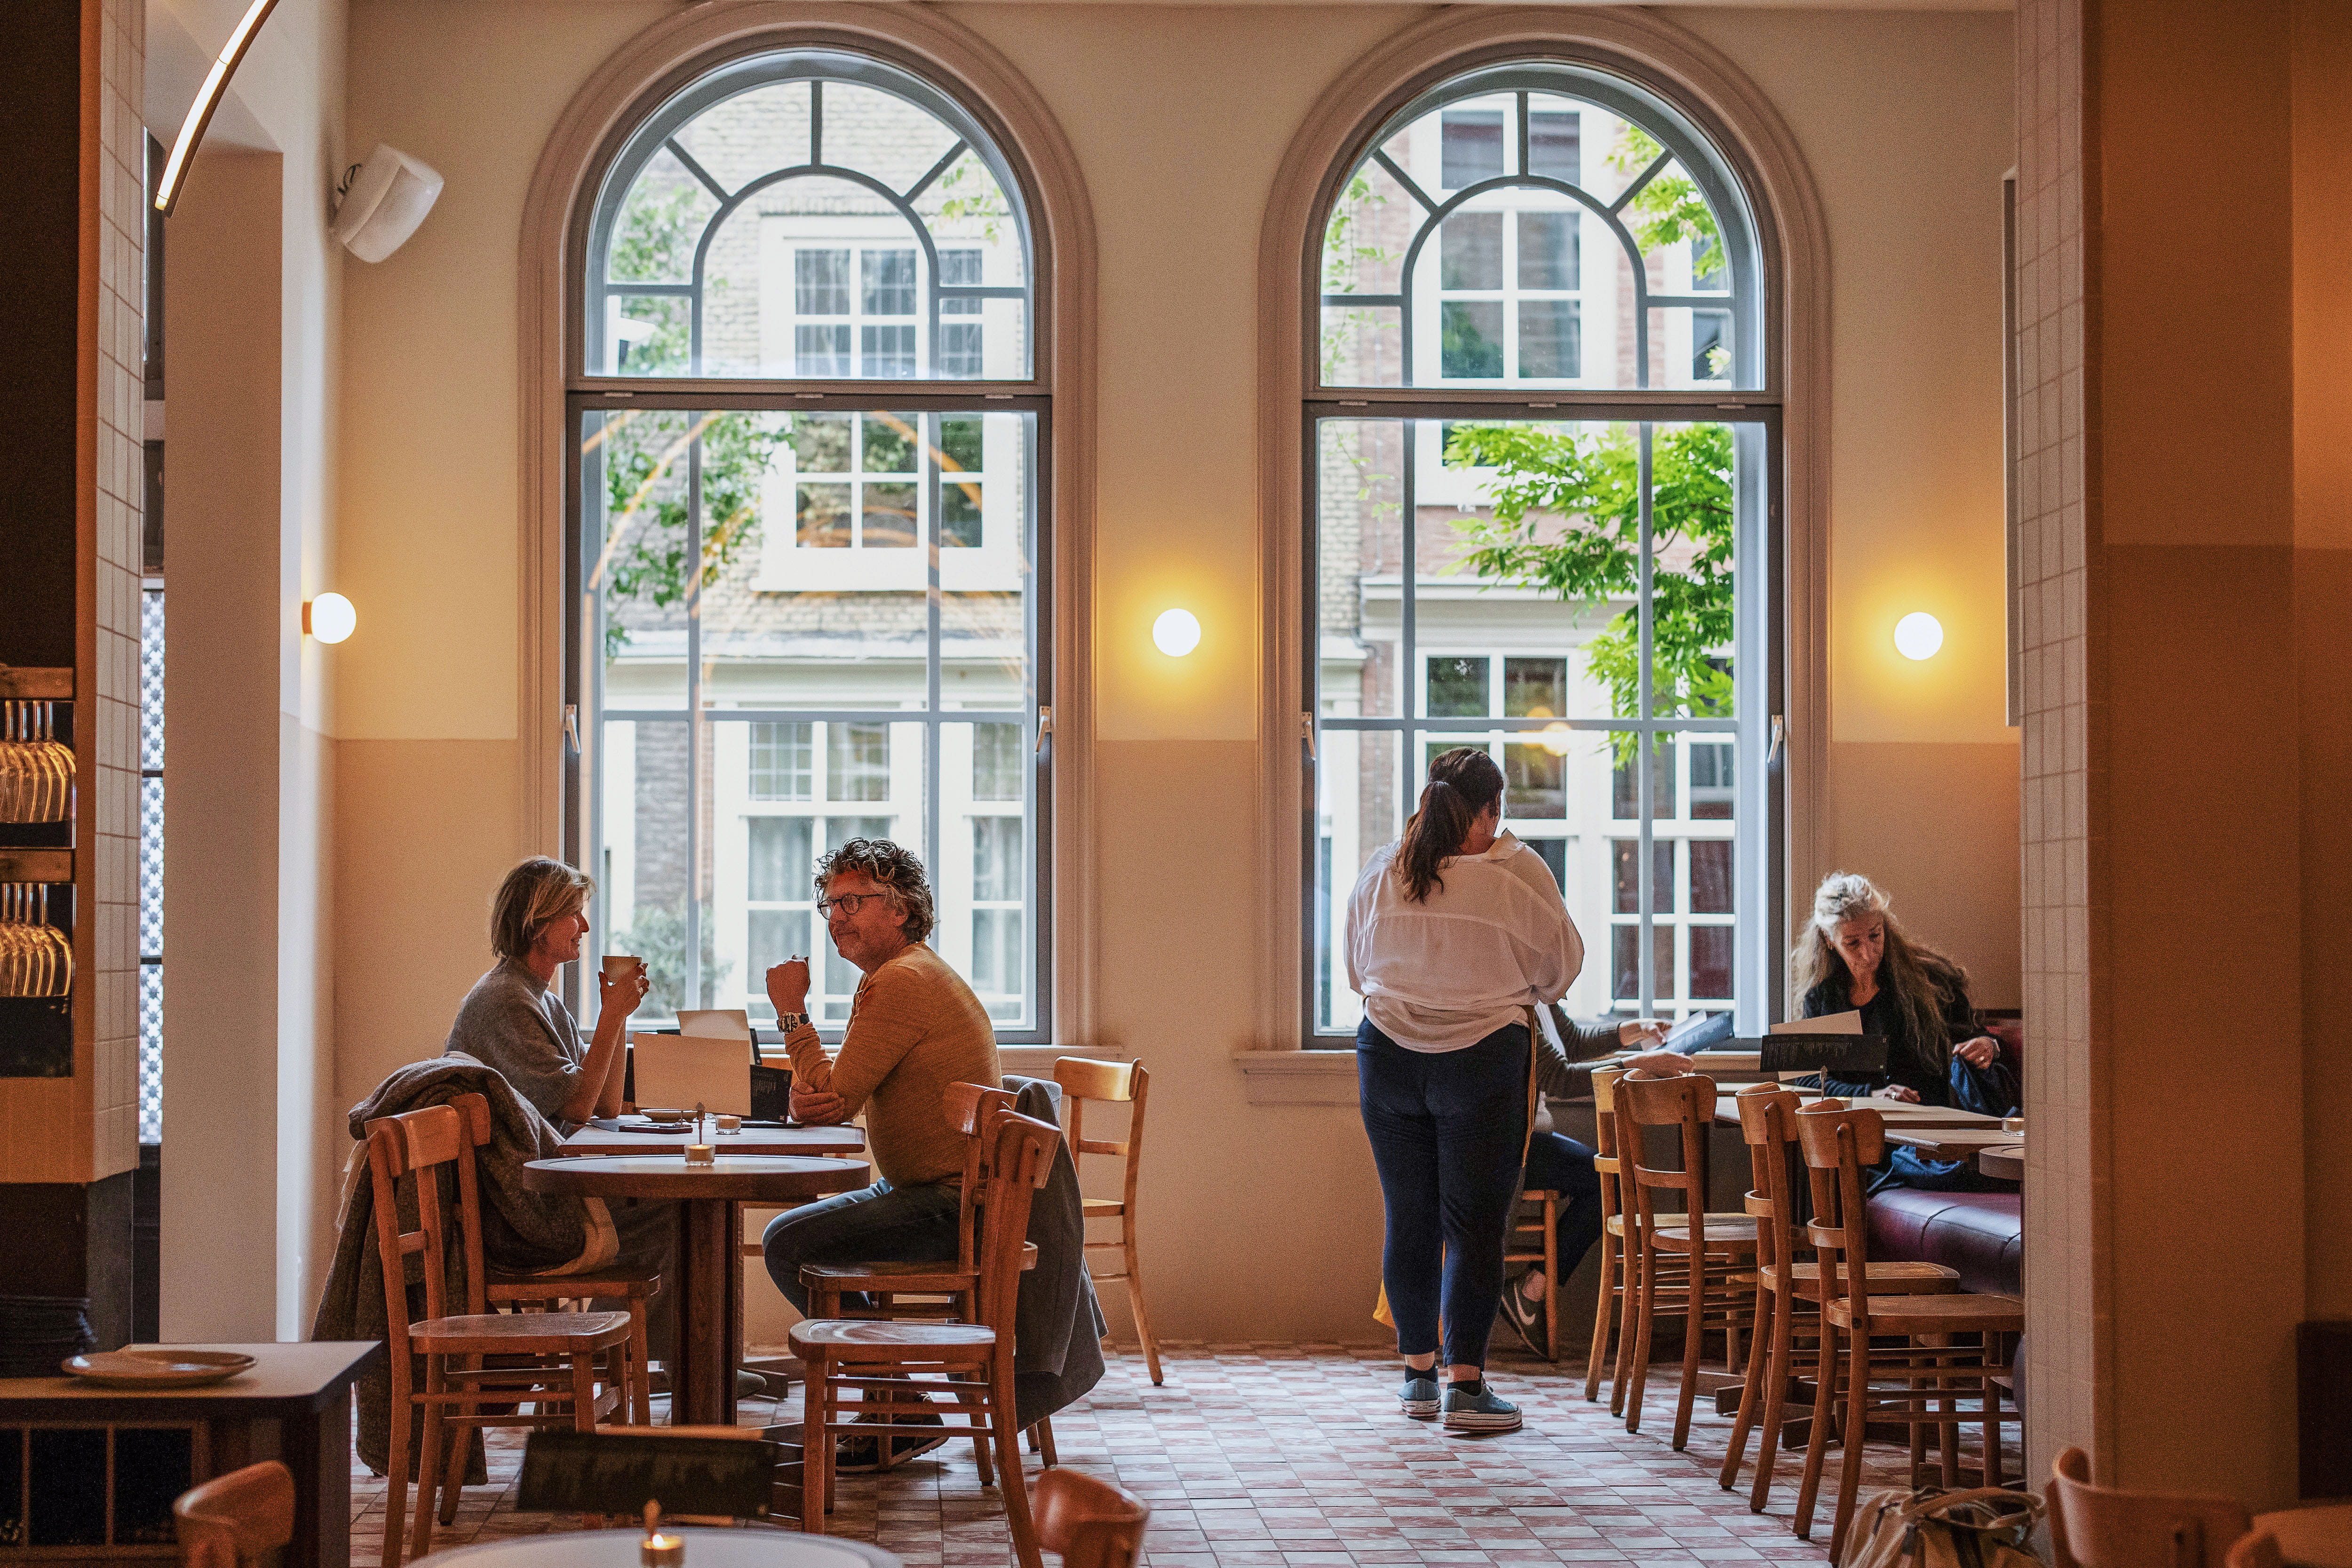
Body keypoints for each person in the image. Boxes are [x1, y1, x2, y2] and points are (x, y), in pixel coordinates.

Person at [1345, 747, 1584, 1433]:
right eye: (1497, 810)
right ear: (1487, 811)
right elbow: (1560, 971)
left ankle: (1419, 1377)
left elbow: (1358, 969)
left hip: (1387, 1054)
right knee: (1473, 1227)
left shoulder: (1385, 866)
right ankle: (1467, 1388)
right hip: (1481, 1060)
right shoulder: (1518, 872)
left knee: (1408, 1217)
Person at [761, 837, 1001, 1469]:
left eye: (852, 901)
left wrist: (790, 1011)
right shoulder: (902, 975)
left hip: (948, 1205)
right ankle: (895, 1402)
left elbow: (831, 1098)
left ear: (900, 909)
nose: (836, 916)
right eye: (830, 904)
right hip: (927, 1191)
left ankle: (899, 1403)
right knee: (794, 1236)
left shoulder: (900, 982)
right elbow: (825, 1095)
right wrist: (820, 1090)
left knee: (788, 1243)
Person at [443, 856, 676, 1359]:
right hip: (519, 1211)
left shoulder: (540, 999)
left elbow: (604, 1106)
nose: (585, 927)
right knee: (672, 1208)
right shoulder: (504, 1001)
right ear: (537, 921)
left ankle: (671, 1366)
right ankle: (619, 1359)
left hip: (542, 1189)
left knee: (677, 1205)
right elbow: (576, 1105)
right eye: (574, 913)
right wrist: (612, 1014)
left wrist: (617, 1017)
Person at [1791, 871, 2019, 1190]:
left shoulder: (1928, 980)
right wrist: (1871, 1096)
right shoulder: (1825, 999)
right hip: (1867, 1140)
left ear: (1885, 926)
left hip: (1930, 1136)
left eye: (1875, 935)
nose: (1868, 953)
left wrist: (1989, 1045)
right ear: (1829, 941)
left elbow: (1979, 1035)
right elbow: (1809, 1080)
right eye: (1852, 943)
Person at [1497, 1008, 1687, 1356]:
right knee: (1607, 1183)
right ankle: (1528, 1293)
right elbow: (1559, 1077)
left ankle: (1528, 1292)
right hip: (1513, 1144)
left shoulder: (1543, 999)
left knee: (1607, 1180)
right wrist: (1636, 1064)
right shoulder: (1517, 998)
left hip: (1532, 1135)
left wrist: (1636, 1029)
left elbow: (1570, 1040)